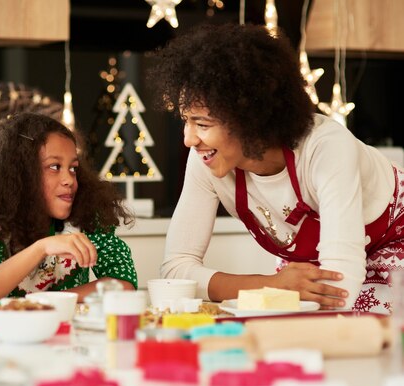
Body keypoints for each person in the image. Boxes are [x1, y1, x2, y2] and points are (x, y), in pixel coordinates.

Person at [149, 23, 401, 313]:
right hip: (314, 270)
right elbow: (175, 273)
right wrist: (274, 284)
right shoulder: (206, 160)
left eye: (202, 124)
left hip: (394, 244)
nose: (189, 139)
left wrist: (278, 288)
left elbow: (337, 288)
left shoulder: (326, 146)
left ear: (250, 118)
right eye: (185, 120)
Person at [0, 112, 137, 306]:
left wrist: (50, 300)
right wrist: (42, 247)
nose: (69, 180)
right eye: (55, 167)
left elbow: (124, 284)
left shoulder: (86, 219)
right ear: (21, 174)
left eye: (73, 168)